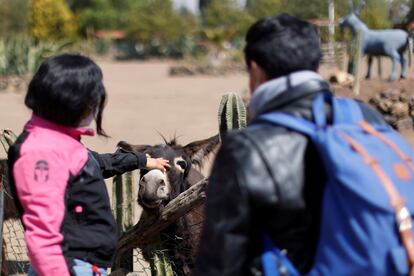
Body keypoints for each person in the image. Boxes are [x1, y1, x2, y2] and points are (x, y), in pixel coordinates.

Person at [194, 14, 387, 275]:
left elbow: (219, 265)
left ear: (255, 70)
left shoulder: (245, 148)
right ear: (315, 64)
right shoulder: (367, 118)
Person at [7, 54, 170, 275]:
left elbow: (96, 163)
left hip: (83, 266)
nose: (94, 108)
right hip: (69, 267)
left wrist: (142, 160)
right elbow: (43, 234)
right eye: (93, 100)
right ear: (73, 101)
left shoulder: (58, 140)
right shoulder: (40, 151)